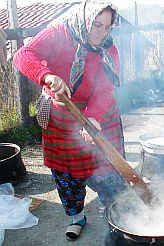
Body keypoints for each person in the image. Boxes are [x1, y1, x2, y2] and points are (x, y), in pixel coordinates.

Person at [13, 0, 127, 241]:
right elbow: (23, 55)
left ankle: (118, 215)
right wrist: (47, 75)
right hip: (62, 117)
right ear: (84, 18)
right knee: (67, 176)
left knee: (109, 172)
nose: (101, 33)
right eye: (96, 25)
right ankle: (77, 218)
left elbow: (106, 89)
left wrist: (93, 116)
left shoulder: (109, 48)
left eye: (107, 27)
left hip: (100, 116)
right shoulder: (59, 33)